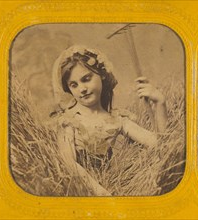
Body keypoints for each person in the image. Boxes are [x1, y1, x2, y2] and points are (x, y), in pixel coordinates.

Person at [51, 45, 167, 196]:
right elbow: (68, 162)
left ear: (102, 76)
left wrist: (160, 103)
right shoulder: (68, 121)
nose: (82, 89)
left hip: (111, 187)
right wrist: (101, 192)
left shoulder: (117, 120)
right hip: (80, 190)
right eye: (74, 85)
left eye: (86, 79)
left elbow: (160, 144)